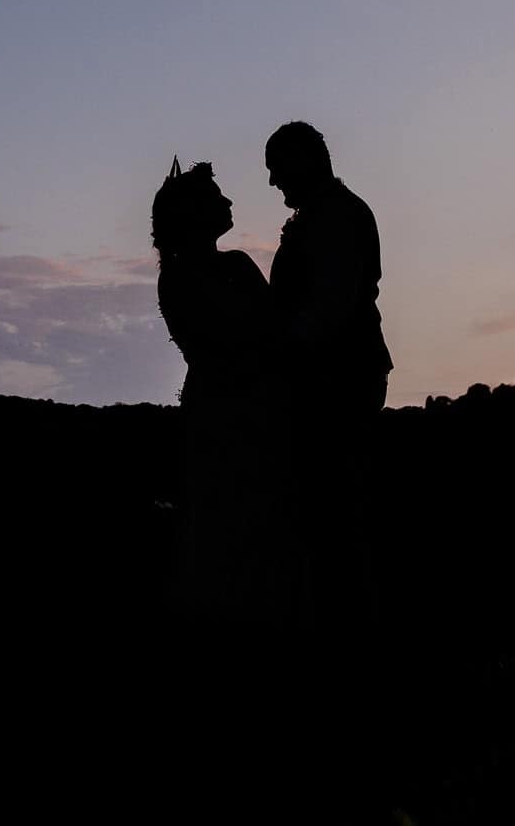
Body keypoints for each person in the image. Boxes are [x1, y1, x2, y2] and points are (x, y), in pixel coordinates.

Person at [151, 157, 295, 633]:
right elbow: (272, 335)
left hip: (215, 413)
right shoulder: (225, 268)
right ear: (193, 213)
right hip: (242, 418)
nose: (229, 201)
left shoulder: (175, 276)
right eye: (216, 197)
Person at [264, 121, 393, 637]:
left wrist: (274, 354)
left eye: (276, 168)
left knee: (336, 518)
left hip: (337, 380)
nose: (273, 182)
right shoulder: (325, 215)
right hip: (329, 377)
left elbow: (330, 312)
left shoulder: (339, 217)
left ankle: (350, 633)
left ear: (305, 159)